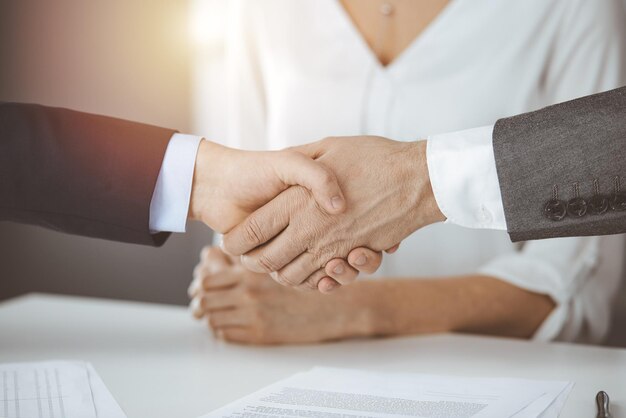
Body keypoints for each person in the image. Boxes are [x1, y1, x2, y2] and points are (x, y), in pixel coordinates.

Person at [190, 0, 626, 344]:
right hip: (284, 374)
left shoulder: (571, 7)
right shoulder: (259, 9)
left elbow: (576, 283)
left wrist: (356, 310)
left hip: (488, 380)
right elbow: (245, 199)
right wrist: (235, 280)